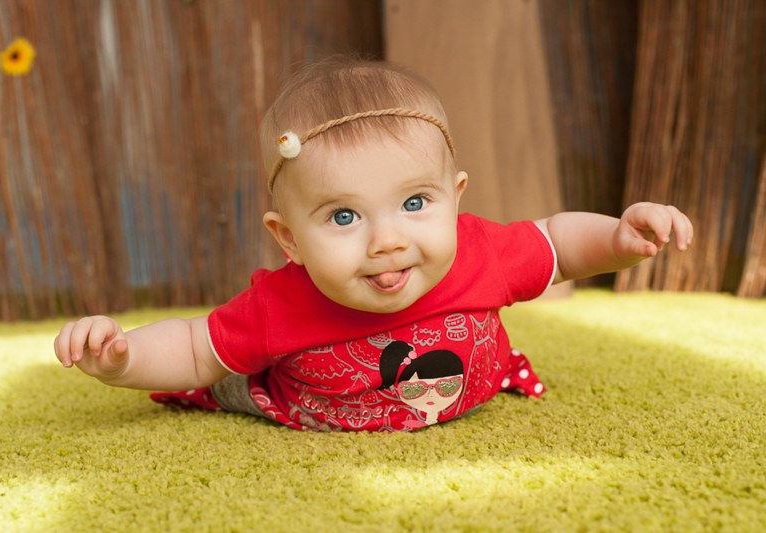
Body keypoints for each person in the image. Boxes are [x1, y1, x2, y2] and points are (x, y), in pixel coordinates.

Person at [54, 57, 693, 432]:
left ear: (456, 195)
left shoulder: (478, 252)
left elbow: (556, 241)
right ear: (290, 239)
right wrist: (120, 359)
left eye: (415, 204)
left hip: (475, 383)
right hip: (301, 401)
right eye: (342, 217)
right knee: (226, 378)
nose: (388, 241)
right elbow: (197, 348)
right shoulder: (284, 304)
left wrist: (615, 237)